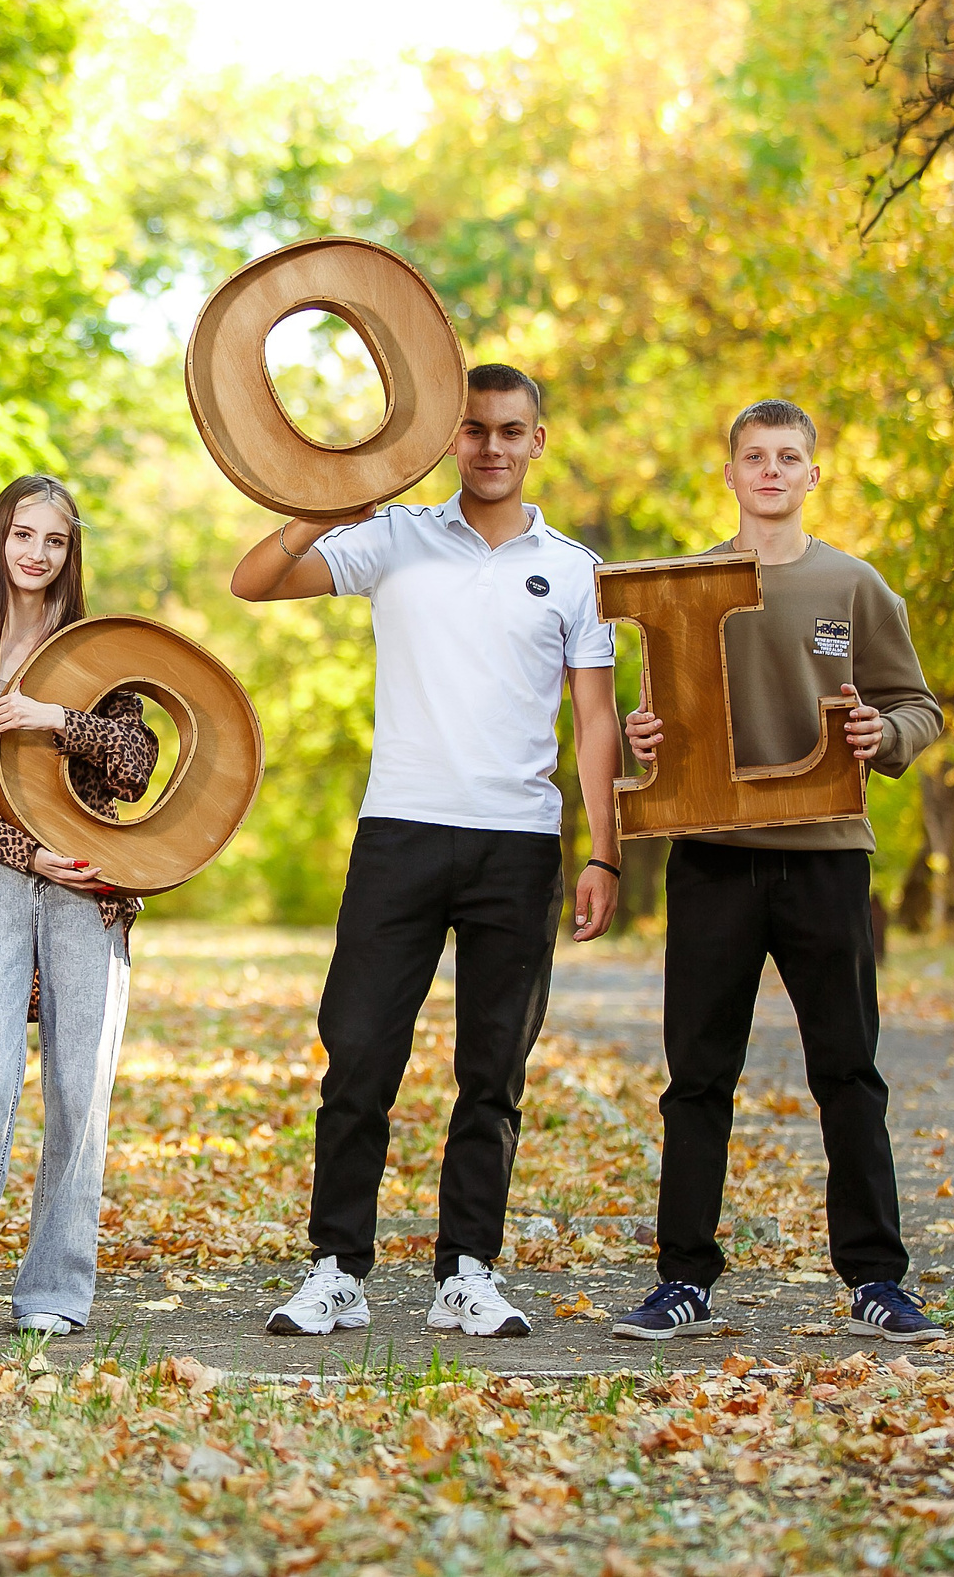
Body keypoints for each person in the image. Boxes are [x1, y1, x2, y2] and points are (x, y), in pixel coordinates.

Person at [232, 363, 624, 1340]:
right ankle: (335, 1270)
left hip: (519, 842)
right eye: (473, 430)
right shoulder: (394, 538)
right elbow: (253, 581)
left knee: (493, 1072)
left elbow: (595, 719)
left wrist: (604, 854)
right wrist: (333, 504)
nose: (490, 446)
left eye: (509, 430)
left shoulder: (574, 570)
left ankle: (467, 1274)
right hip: (399, 830)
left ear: (538, 441)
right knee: (358, 1054)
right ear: (448, 440)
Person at [609, 399, 948, 1345]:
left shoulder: (854, 586)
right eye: (753, 455)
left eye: (787, 456)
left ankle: (877, 1279)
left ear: (811, 474)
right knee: (697, 1079)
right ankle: (684, 1280)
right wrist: (646, 739)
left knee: (849, 1072)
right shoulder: (684, 588)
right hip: (713, 862)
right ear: (730, 473)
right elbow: (659, 729)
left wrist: (888, 734)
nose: (769, 469)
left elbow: (917, 704)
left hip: (827, 863)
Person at [0, 476, 156, 1338]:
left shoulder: (100, 651)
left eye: (53, 539)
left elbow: (136, 763)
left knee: (81, 1090)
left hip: (91, 885)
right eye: (22, 534)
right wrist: (28, 851)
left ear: (70, 550)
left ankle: (53, 1291)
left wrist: (58, 716)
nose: (36, 553)